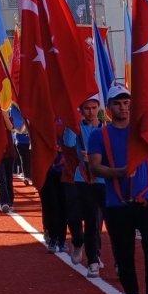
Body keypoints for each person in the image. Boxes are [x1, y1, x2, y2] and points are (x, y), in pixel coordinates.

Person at [86, 84, 148, 294]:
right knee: (124, 251)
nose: (123, 108)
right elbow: (94, 166)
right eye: (118, 104)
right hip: (117, 203)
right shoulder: (99, 135)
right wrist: (119, 172)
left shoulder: (141, 130)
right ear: (109, 108)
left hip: (145, 199)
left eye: (127, 103)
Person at [61, 94, 106, 277]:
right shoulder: (77, 127)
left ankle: (94, 257)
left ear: (99, 109)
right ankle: (80, 244)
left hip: (103, 179)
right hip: (82, 178)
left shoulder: (105, 128)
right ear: (81, 110)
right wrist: (72, 123)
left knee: (97, 220)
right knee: (83, 217)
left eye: (94, 108)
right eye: (87, 108)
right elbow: (68, 143)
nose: (91, 112)